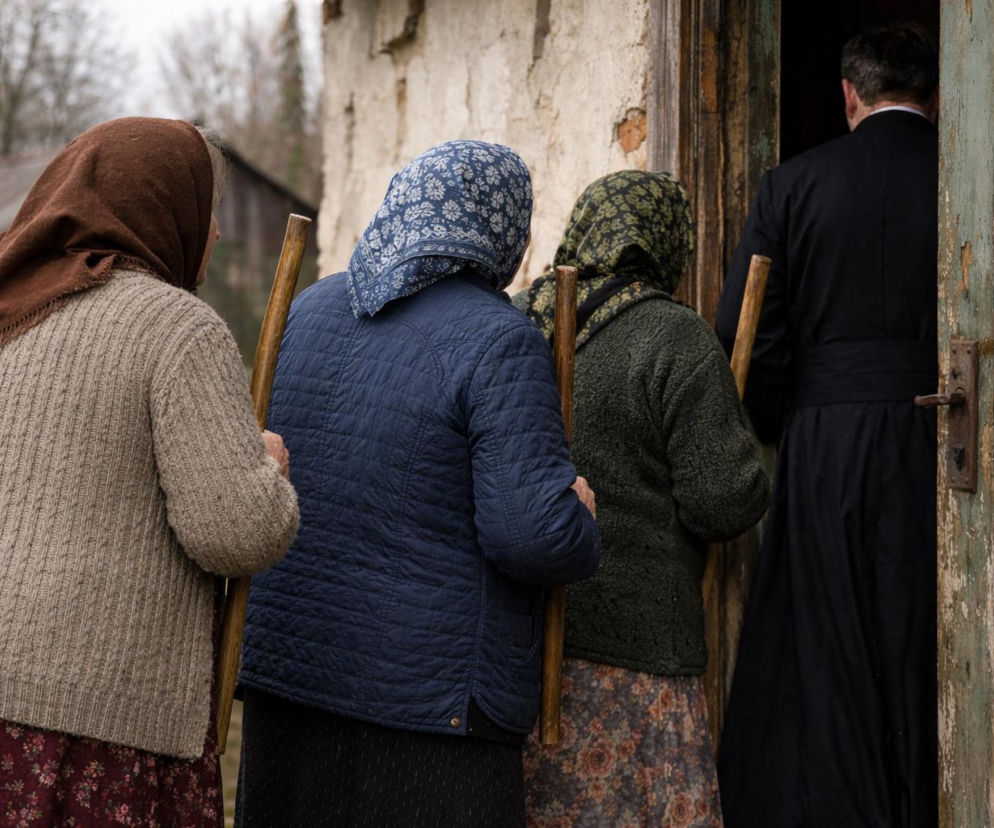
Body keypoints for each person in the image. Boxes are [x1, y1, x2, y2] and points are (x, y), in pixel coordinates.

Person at [235, 140, 601, 827]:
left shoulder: (307, 307)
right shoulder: (501, 340)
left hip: (288, 680)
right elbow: (530, 535)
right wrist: (576, 516)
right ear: (501, 234)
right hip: (428, 709)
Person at [0, 117, 299, 826]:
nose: (218, 232)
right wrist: (267, 471)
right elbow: (236, 532)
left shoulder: (10, 310)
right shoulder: (178, 330)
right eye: (208, 206)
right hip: (95, 718)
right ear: (163, 203)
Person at [715, 21, 939, 827]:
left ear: (849, 96)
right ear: (936, 96)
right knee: (924, 634)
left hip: (823, 443)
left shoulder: (790, 186)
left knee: (827, 640)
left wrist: (784, 423)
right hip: (945, 436)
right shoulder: (967, 176)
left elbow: (748, 334)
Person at [512, 170, 770, 826]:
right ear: (667, 244)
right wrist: (756, 464)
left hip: (519, 656)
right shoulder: (675, 337)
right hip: (639, 661)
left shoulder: (515, 322)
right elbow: (721, 502)